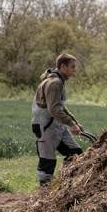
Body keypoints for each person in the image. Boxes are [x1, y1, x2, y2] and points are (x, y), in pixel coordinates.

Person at [31, 53, 85, 186]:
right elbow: (54, 109)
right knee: (47, 161)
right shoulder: (54, 83)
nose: (74, 71)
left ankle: (64, 184)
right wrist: (71, 124)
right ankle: (44, 194)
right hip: (45, 126)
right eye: (72, 67)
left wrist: (74, 122)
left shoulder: (58, 81)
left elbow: (60, 107)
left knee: (75, 153)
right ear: (63, 66)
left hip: (55, 126)